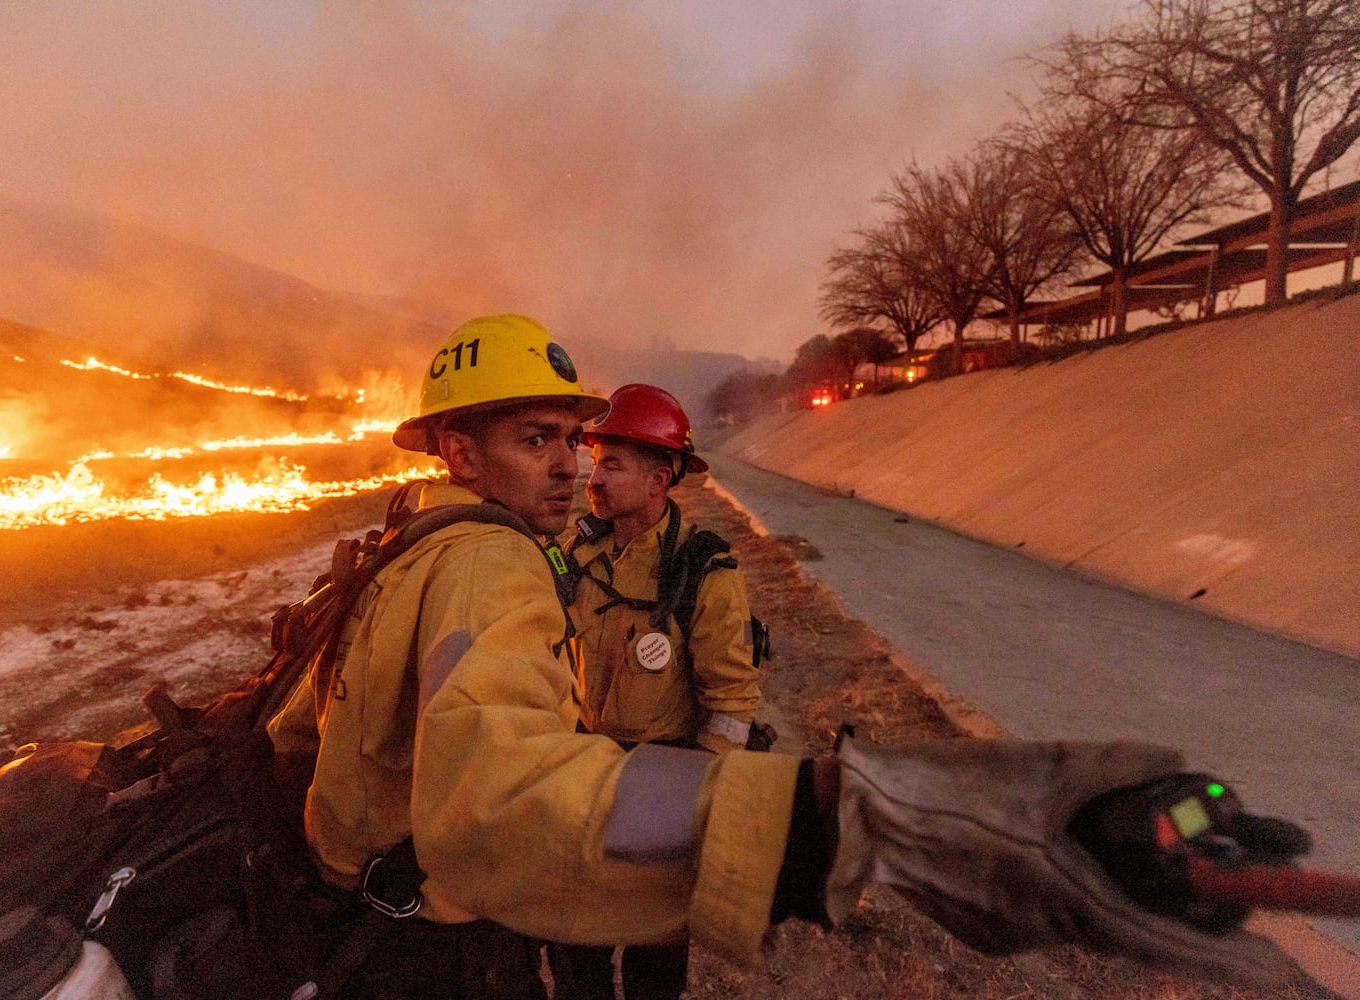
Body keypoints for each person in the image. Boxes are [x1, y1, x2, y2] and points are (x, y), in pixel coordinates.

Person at [267, 313, 1290, 999]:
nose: (572, 466)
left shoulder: (407, 548)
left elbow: (303, 737)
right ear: (457, 451)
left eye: (577, 442)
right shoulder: (490, 566)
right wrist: (840, 820)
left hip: (440, 885)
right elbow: (502, 796)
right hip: (441, 922)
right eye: (539, 438)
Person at [552, 383, 762, 1000]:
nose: (594, 478)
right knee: (576, 957)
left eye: (611, 464)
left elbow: (731, 707)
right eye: (595, 462)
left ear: (658, 479)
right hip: (582, 778)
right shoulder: (578, 553)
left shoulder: (704, 573)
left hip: (663, 786)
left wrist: (697, 803)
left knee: (652, 968)